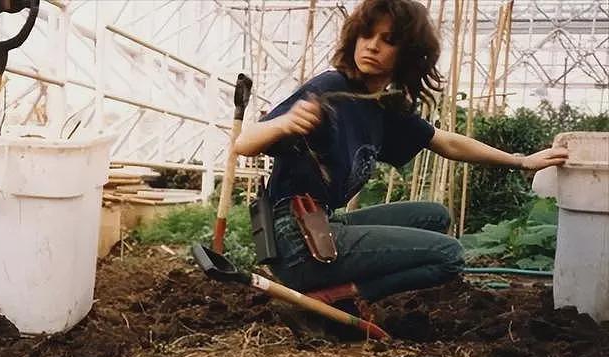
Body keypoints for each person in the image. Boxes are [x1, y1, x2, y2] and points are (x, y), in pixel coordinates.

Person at [234, 0, 567, 314]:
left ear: (408, 54)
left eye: (388, 39)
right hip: (297, 239)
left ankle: (330, 291)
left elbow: (445, 143)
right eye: (366, 34)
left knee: (434, 216)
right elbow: (244, 143)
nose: (372, 45)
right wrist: (283, 123)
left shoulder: (381, 104)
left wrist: (521, 160)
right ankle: (330, 300)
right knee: (449, 255)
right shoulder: (332, 87)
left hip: (322, 226)